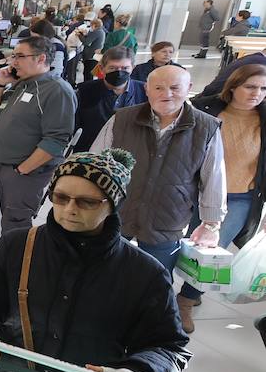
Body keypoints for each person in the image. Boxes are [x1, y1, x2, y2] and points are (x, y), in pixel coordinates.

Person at [0, 149, 190, 372]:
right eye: (60, 198)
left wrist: (145, 369)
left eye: (86, 202)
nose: (69, 209)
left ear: (112, 204)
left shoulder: (144, 273)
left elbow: (168, 345)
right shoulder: (17, 246)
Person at [90, 65, 225, 313]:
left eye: (175, 88)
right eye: (159, 88)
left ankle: (151, 323)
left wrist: (211, 224)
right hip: (118, 211)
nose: (167, 94)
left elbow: (213, 178)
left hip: (168, 216)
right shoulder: (122, 118)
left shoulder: (206, 128)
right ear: (147, 89)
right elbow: (95, 162)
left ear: (189, 89)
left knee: (157, 277)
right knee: (102, 268)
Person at [177, 64, 266, 330]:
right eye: (250, 87)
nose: (257, 93)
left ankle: (186, 300)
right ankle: (157, 295)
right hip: (194, 192)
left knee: (211, 253)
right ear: (233, 86)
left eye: (263, 88)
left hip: (239, 198)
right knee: (174, 246)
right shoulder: (204, 109)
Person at [0, 36, 76, 234]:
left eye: (19, 56)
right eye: (13, 56)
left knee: (17, 223)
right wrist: (0, 85)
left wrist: (22, 170)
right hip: (6, 165)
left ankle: (16, 264)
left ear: (41, 58)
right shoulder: (23, 84)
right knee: (8, 219)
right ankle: (6, 261)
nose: (13, 61)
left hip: (26, 171)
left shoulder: (56, 90)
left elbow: (56, 140)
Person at [73, 45, 148, 153]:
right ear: (102, 69)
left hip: (129, 154)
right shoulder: (84, 91)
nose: (119, 72)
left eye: (125, 68)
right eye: (112, 68)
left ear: (133, 68)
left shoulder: (145, 92)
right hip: (90, 152)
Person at [79, 16, 106, 82]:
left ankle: (86, 88)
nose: (90, 27)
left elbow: (86, 42)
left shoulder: (97, 32)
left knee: (88, 74)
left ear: (94, 25)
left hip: (91, 56)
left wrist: (79, 35)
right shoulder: (101, 32)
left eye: (91, 25)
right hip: (94, 56)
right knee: (89, 74)